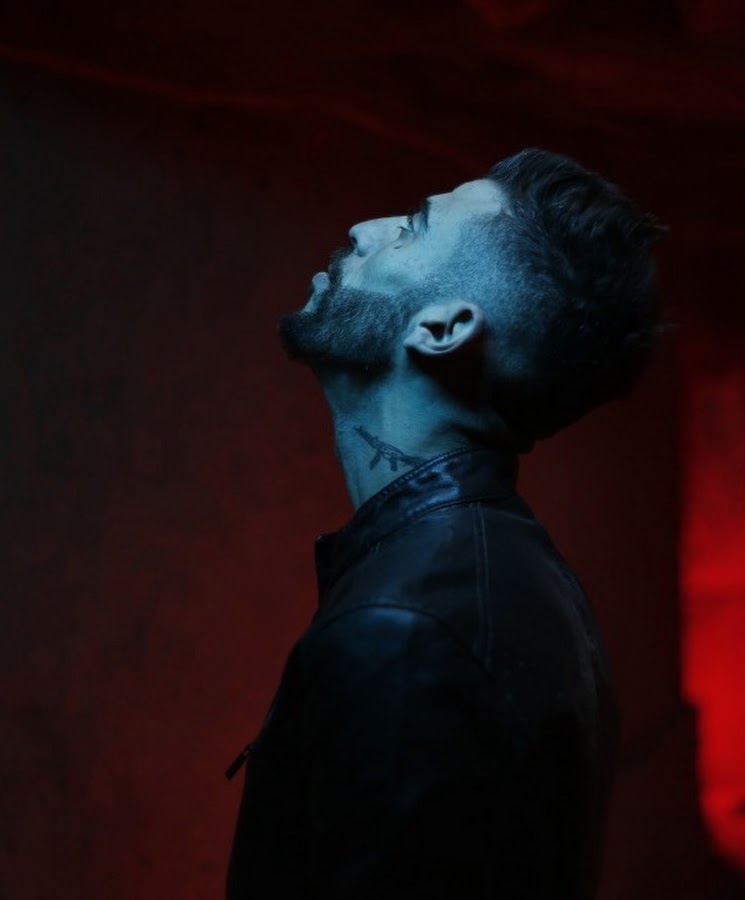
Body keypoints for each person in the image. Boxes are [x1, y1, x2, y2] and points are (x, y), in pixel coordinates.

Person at [225, 148, 665, 899]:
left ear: (444, 329)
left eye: (412, 228)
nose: (365, 229)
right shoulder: (515, 568)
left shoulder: (404, 637)